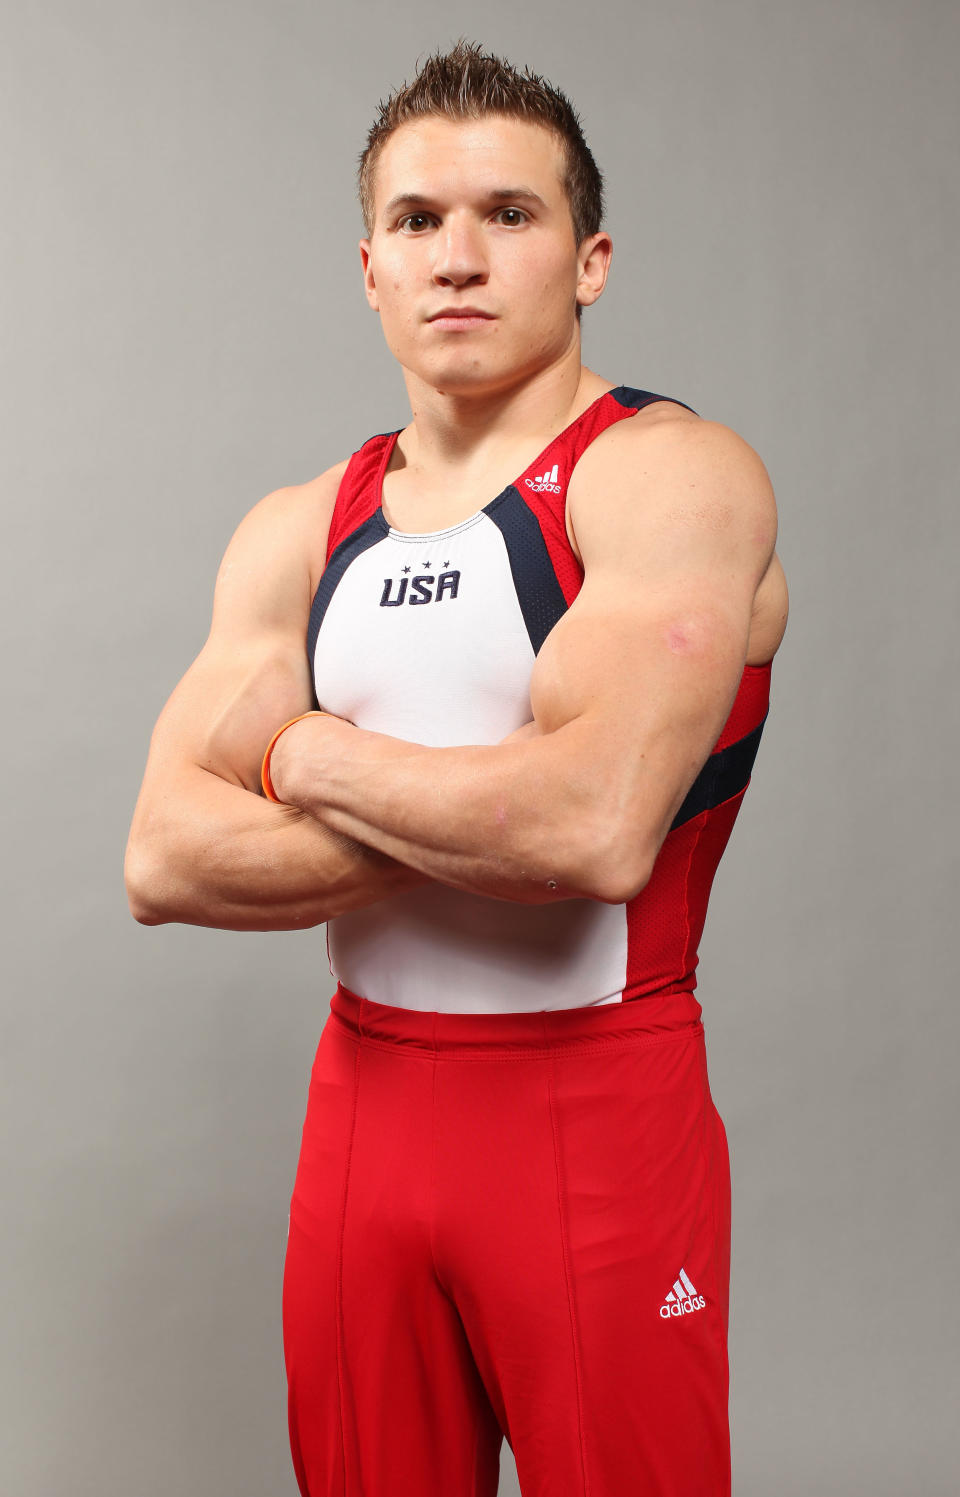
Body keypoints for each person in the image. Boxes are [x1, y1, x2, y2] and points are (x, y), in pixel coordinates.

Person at [125, 37, 788, 1497]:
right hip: (361, 1120)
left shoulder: (668, 477)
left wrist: (298, 750)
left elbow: (600, 827)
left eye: (511, 214)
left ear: (591, 257)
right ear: (369, 267)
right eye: (419, 222)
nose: (460, 258)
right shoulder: (304, 527)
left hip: (597, 1114)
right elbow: (162, 856)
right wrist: (492, 806)